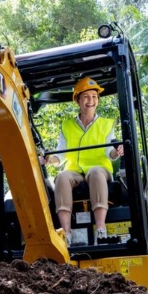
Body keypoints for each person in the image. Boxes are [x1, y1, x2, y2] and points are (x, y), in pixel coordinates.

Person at [40, 77, 124, 246]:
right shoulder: (67, 126)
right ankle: (67, 234)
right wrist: (49, 160)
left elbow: (111, 153)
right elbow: (60, 156)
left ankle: (100, 230)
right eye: (86, 97)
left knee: (94, 172)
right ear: (78, 100)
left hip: (100, 170)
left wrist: (117, 151)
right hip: (75, 172)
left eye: (94, 97)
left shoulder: (106, 124)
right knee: (62, 177)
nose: (90, 101)